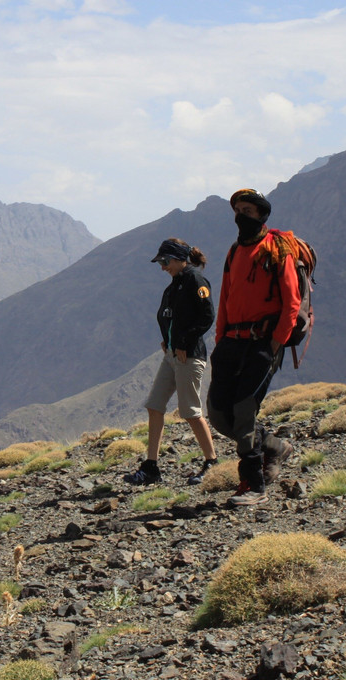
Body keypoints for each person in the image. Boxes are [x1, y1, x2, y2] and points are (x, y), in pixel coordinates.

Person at [207, 189, 299, 506]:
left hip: (263, 343)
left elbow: (291, 301)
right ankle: (274, 445)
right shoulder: (235, 251)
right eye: (237, 210)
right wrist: (220, 340)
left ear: (261, 214)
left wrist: (275, 343)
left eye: (247, 210)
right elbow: (225, 298)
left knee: (244, 409)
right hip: (231, 343)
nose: (241, 215)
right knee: (219, 414)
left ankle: (254, 486)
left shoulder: (277, 248)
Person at [124, 238, 219, 487]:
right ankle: (151, 466)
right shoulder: (174, 285)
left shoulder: (196, 280)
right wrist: (167, 341)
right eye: (160, 263)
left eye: (165, 262)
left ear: (179, 258)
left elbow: (207, 315)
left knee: (190, 412)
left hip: (189, 356)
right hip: (172, 356)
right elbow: (171, 318)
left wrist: (184, 342)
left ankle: (212, 462)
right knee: (155, 405)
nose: (163, 267)